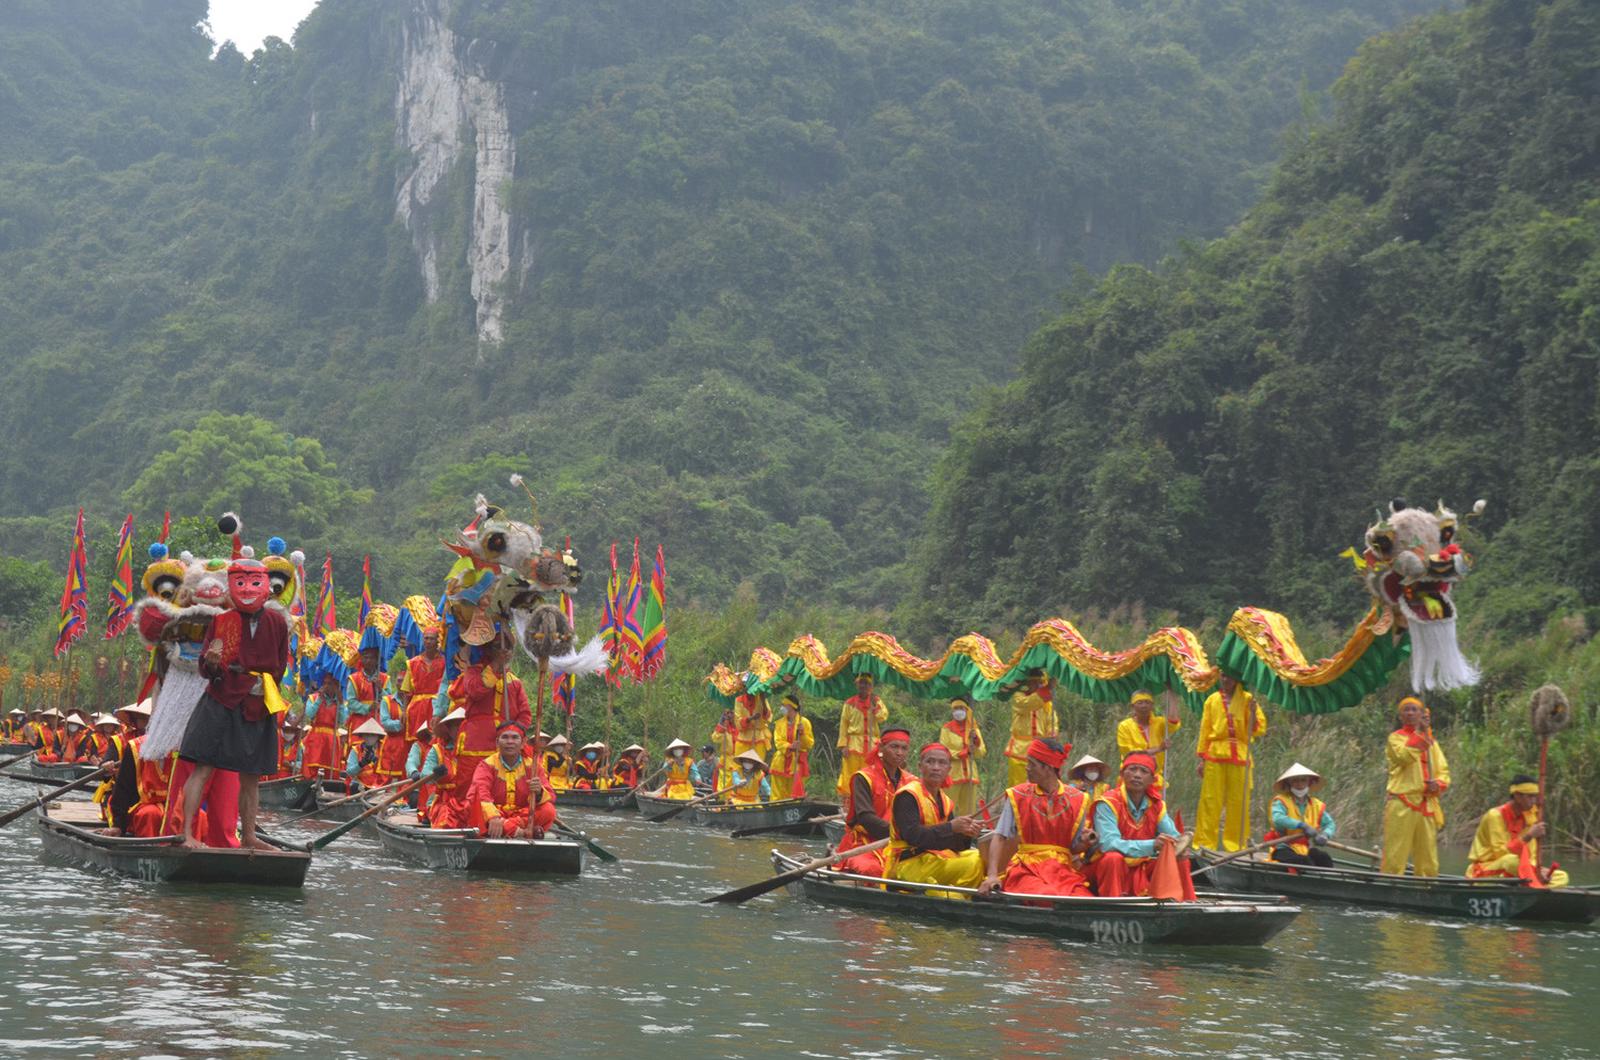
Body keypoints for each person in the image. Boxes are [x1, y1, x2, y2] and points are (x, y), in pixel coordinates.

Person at [175, 557, 289, 851]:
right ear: (230, 587)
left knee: (251, 775)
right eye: (240, 582)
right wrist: (213, 663)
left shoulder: (277, 622)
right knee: (203, 767)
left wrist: (259, 685)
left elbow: (280, 666)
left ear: (266, 587)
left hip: (257, 702)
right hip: (221, 700)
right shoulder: (221, 621)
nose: (247, 589)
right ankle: (187, 834)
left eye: (254, 582)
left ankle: (249, 836)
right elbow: (206, 667)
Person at [980, 737, 1093, 898]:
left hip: (1061, 871)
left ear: (1048, 768)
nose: (1027, 768)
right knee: (1047, 895)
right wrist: (992, 875)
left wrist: (1086, 843)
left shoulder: (1078, 799)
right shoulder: (1018, 795)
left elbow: (1073, 848)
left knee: (1082, 898)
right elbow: (999, 836)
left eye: (1032, 764)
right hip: (1027, 869)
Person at [1087, 752, 1195, 899]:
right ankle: (1113, 905)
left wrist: (1179, 847)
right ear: (1122, 774)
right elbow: (1108, 844)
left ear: (1152, 780)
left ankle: (1183, 902)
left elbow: (1173, 836)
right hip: (1107, 869)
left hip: (1141, 867)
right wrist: (1153, 845)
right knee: (1113, 858)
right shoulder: (1107, 803)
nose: (1137, 775)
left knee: (1180, 859)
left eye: (1144, 771)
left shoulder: (1156, 805)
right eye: (1132, 769)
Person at [886, 742, 985, 896]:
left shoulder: (945, 801)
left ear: (949, 769)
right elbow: (913, 836)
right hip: (908, 864)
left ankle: (958, 895)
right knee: (974, 862)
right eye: (930, 762)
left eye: (942, 763)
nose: (936, 767)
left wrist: (965, 833)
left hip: (934, 859)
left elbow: (952, 845)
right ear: (920, 767)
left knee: (981, 856)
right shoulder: (908, 795)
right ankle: (959, 896)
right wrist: (951, 827)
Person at [1194, 674, 1266, 851]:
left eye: (1230, 677)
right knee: (1210, 800)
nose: (1226, 680)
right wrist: (1202, 759)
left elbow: (1258, 729)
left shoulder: (1248, 699)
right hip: (1215, 754)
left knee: (1238, 802)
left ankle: (1236, 845)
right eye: (1223, 676)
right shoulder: (1212, 700)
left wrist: (1253, 712)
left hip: (1240, 755)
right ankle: (1204, 844)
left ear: (1237, 679)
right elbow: (1205, 730)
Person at [449, 638, 532, 792]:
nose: (504, 651)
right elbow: (475, 691)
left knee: (505, 784)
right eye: (498, 647)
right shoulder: (473, 672)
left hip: (506, 742)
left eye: (508, 648)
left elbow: (525, 714)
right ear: (488, 650)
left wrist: (513, 733)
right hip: (476, 740)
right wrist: (495, 665)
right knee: (470, 786)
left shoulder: (515, 681)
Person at [1382, 696, 1450, 877]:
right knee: (1396, 850)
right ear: (1400, 716)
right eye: (1406, 710)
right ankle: (1391, 882)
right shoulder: (1395, 738)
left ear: (1422, 714)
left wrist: (1438, 784)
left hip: (1426, 802)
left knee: (1428, 854)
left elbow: (1443, 770)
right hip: (1402, 800)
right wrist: (1420, 733)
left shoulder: (1432, 743)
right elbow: (1403, 757)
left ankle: (1427, 884)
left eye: (1415, 710)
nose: (1410, 713)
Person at [835, 728, 912, 877]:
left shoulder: (911, 781)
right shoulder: (863, 778)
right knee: (873, 870)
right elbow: (865, 817)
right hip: (865, 843)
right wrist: (899, 833)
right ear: (881, 748)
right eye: (894, 747)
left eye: (904, 748)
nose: (899, 752)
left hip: (900, 844)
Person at [1468, 775, 1569, 887]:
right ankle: (1533, 884)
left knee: (1562, 876)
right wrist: (1528, 836)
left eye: (1535, 797)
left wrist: (1538, 870)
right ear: (1517, 796)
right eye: (1530, 797)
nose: (1534, 801)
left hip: (1521, 868)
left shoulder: (1530, 816)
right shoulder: (1495, 815)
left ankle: (1533, 886)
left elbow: (1531, 855)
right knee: (1511, 861)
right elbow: (1500, 853)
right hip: (1487, 870)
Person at [467, 721, 556, 839]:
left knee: (548, 811)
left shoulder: (533, 766)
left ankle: (508, 829)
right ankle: (522, 833)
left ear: (523, 742)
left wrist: (539, 792)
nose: (510, 742)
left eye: (515, 737)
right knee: (474, 809)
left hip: (521, 815)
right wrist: (493, 816)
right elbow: (479, 793)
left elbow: (551, 796)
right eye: (505, 737)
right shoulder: (486, 765)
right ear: (497, 742)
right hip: (495, 815)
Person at [1265, 762, 1335, 868]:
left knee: (1324, 858)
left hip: (1304, 848)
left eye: (1303, 780)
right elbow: (1278, 819)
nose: (1299, 784)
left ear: (1309, 782)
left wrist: (1325, 835)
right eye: (1295, 780)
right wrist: (1303, 825)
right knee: (1304, 862)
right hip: (1282, 847)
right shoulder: (1281, 801)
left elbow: (1330, 824)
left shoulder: (1316, 804)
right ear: (1289, 783)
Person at [835, 673, 889, 803]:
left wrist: (875, 709)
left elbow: (883, 717)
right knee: (850, 774)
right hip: (853, 744)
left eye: (867, 683)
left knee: (871, 774)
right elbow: (844, 724)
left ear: (871, 686)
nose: (864, 686)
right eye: (861, 683)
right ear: (857, 684)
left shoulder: (876, 700)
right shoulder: (849, 703)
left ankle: (870, 802)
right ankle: (849, 803)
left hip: (872, 745)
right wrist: (843, 745)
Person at [1116, 690, 1180, 792]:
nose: (1144, 706)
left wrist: (1172, 696)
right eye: (1140, 702)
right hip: (1131, 774)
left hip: (1153, 775)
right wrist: (1158, 749)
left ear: (1152, 706)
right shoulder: (1124, 726)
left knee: (1154, 802)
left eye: (1147, 702)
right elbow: (1131, 753)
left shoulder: (1159, 723)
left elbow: (1173, 721)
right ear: (1132, 706)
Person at [1004, 669, 1059, 786]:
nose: (1038, 685)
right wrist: (1047, 690)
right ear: (1028, 683)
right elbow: (1028, 704)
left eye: (1041, 682)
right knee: (1018, 786)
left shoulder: (1046, 703)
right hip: (1019, 750)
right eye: (1035, 682)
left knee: (1038, 785)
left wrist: (1052, 733)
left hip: (1040, 750)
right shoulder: (1018, 697)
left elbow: (1052, 721)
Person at [417, 708, 467, 827]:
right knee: (446, 821)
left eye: (464, 726)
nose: (461, 730)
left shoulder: (477, 750)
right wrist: (436, 774)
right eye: (457, 726)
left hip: (469, 799)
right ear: (448, 729)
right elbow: (425, 774)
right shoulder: (437, 750)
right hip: (445, 801)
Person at [939, 695, 986, 815]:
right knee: (948, 808)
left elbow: (981, 752)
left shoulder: (973, 729)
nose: (958, 711)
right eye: (955, 708)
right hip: (952, 774)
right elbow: (943, 751)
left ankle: (967, 827)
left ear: (966, 710)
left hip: (970, 774)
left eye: (961, 708)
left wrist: (975, 743)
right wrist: (963, 753)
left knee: (969, 810)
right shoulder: (946, 729)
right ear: (952, 711)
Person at [401, 626, 446, 744]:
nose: (429, 641)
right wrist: (404, 711)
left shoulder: (444, 662)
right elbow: (406, 691)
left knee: (436, 740)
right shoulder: (413, 663)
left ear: (437, 641)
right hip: (417, 709)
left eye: (432, 638)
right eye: (426, 638)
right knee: (417, 742)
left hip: (436, 706)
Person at [769, 693, 814, 800]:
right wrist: (790, 746)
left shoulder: (804, 722)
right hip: (780, 761)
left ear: (791, 706)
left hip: (797, 761)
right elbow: (778, 742)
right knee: (778, 792)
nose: (782, 707)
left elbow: (809, 744)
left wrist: (802, 734)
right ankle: (776, 807)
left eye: (784, 705)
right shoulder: (779, 723)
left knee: (795, 792)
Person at [301, 673, 343, 779]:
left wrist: (341, 704)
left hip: (332, 740)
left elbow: (342, 720)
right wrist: (319, 699)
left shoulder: (339, 701)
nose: (327, 686)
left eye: (330, 684)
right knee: (312, 767)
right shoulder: (313, 698)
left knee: (330, 771)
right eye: (325, 683)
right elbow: (309, 714)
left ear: (336, 686)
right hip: (316, 737)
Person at [374, 674, 409, 790]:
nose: (401, 684)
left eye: (404, 681)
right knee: (385, 779)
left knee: (406, 779)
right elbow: (385, 723)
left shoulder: (414, 702)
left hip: (408, 744)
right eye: (399, 681)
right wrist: (402, 724)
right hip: (392, 744)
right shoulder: (387, 700)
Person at [344, 717, 387, 790]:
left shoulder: (385, 749)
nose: (369, 737)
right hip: (361, 786)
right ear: (362, 736)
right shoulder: (356, 750)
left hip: (382, 786)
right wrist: (361, 764)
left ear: (378, 736)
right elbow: (349, 772)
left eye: (372, 735)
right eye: (366, 735)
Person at [734, 692, 772, 761]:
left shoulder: (761, 698)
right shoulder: (738, 700)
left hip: (759, 738)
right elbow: (737, 722)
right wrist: (751, 718)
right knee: (741, 764)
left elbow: (768, 718)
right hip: (743, 740)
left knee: (758, 764)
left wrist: (763, 701)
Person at [712, 709, 738, 789]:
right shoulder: (724, 727)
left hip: (739, 761)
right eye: (727, 713)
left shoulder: (740, 727)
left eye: (731, 713)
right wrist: (722, 725)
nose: (729, 715)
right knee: (724, 786)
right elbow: (715, 738)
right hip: (726, 761)